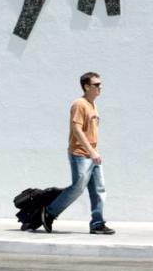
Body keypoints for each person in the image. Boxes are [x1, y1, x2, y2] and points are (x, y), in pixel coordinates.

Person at [42, 72, 115, 235]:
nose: (100, 87)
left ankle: (97, 223)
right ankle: (49, 212)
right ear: (86, 86)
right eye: (96, 85)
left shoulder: (93, 105)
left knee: (99, 189)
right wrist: (90, 151)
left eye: (100, 84)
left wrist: (94, 152)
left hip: (93, 154)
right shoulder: (79, 104)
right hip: (80, 154)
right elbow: (76, 129)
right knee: (78, 187)